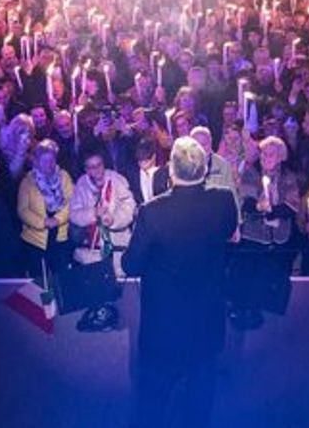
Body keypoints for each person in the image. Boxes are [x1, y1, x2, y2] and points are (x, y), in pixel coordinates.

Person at [123, 136, 238, 428]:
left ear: (171, 171)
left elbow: (131, 264)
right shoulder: (224, 201)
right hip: (205, 324)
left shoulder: (152, 212)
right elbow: (227, 234)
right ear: (203, 170)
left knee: (153, 406)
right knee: (199, 407)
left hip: (164, 328)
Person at [69, 149, 136, 330]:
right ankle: (99, 322)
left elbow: (130, 208)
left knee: (116, 289)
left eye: (98, 165)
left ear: (103, 165)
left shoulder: (117, 180)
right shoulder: (81, 185)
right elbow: (74, 214)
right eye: (90, 167)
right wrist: (92, 214)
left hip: (116, 243)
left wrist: (113, 219)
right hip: (92, 247)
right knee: (97, 289)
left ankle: (117, 326)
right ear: (85, 169)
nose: (95, 171)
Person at [17, 138, 73, 281]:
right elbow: (23, 210)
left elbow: (72, 202)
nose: (50, 165)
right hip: (35, 240)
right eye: (45, 161)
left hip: (60, 238)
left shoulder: (64, 176)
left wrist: (57, 219)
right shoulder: (28, 180)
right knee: (39, 282)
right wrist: (43, 222)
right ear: (36, 162)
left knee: (60, 279)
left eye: (52, 160)